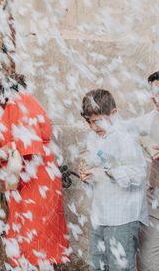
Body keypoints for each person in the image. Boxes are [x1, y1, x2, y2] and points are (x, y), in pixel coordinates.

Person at [0, 74, 68, 270]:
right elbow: (14, 148)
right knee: (26, 240)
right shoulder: (18, 104)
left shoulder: (20, 102)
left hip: (36, 183)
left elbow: (26, 143)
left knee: (35, 243)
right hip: (28, 182)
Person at [79, 89, 149, 271]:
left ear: (114, 113)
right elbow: (97, 165)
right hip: (100, 214)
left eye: (98, 121)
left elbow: (139, 172)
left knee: (120, 267)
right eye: (89, 122)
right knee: (97, 266)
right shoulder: (94, 137)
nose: (94, 127)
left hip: (122, 216)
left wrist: (106, 171)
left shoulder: (125, 137)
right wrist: (88, 174)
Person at [138, 71, 159, 271]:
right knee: (147, 262)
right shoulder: (148, 120)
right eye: (153, 92)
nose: (155, 97)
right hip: (155, 206)